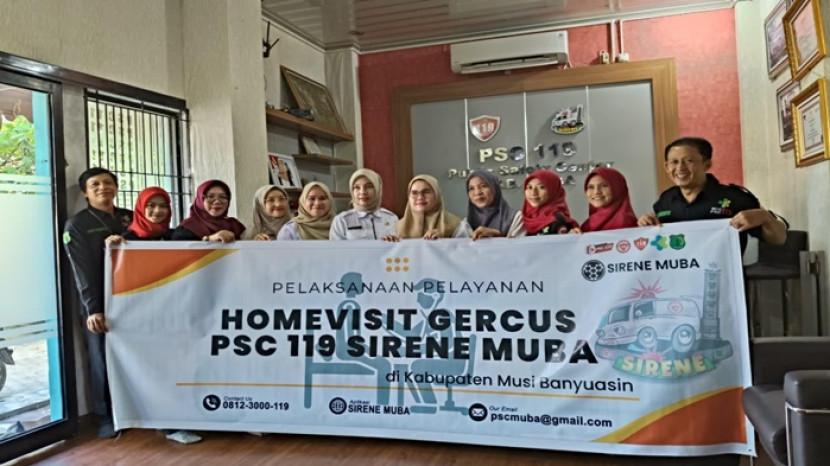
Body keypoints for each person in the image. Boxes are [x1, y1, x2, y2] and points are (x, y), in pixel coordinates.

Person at [103, 187, 203, 444]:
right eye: (151, 206)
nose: (157, 211)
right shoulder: (126, 240)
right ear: (140, 208)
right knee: (152, 370)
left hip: (175, 315)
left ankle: (180, 420)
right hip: (141, 319)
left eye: (163, 206)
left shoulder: (175, 237)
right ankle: (166, 425)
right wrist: (111, 248)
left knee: (176, 368)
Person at [62, 167, 132, 439]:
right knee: (101, 358)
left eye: (108, 183)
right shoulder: (77, 225)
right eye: (95, 185)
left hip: (134, 297)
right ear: (85, 192)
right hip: (100, 303)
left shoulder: (129, 217)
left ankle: (136, 408)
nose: (103, 188)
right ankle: (105, 416)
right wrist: (93, 309)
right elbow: (81, 271)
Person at [637, 137, 787, 251]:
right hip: (678, 279)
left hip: (725, 279)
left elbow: (779, 239)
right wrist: (646, 224)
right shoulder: (665, 200)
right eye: (674, 162)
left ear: (707, 164)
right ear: (666, 167)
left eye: (689, 161)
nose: (680, 168)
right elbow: (658, 243)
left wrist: (766, 217)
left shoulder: (734, 197)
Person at [394, 174, 471, 240]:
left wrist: (443, 239)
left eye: (426, 192)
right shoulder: (396, 228)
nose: (420, 197)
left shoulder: (456, 226)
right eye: (414, 193)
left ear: (437, 195)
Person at [330, 168, 398, 240]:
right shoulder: (342, 220)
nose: (362, 192)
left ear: (377, 189)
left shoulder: (391, 218)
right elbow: (335, 247)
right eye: (357, 187)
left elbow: (399, 245)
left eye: (369, 186)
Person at [508, 170, 578, 237]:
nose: (533, 193)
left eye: (541, 187)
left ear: (553, 190)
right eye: (530, 187)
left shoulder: (557, 221)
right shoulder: (521, 218)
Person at [172, 180, 245, 242]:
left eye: (223, 197)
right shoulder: (187, 228)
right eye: (210, 196)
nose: (217, 201)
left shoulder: (235, 226)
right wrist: (209, 239)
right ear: (200, 200)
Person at [576, 167, 638, 233]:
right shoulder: (588, 224)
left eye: (604, 186)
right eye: (591, 187)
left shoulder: (629, 224)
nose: (596, 192)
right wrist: (572, 236)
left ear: (617, 189)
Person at [465, 170, 516, 240]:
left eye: (483, 186)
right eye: (471, 188)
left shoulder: (515, 218)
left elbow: (521, 245)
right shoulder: (465, 225)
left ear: (495, 189)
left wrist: (498, 235)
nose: (477, 193)